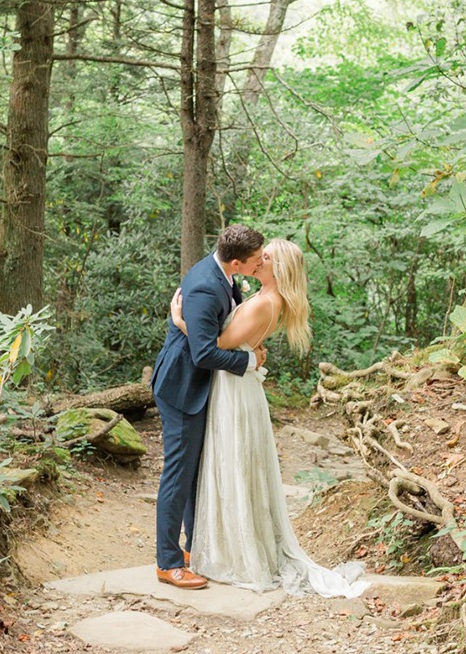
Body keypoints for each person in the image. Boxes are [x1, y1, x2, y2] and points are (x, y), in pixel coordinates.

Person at [171, 239, 367, 598]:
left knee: (233, 464)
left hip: (235, 392)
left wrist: (181, 321)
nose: (260, 260)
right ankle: (227, 543)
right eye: (261, 255)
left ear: (280, 268)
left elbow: (218, 344)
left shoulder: (264, 303)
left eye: (268, 257)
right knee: (234, 465)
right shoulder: (266, 299)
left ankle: (237, 553)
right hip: (236, 386)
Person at [151, 224, 267, 590]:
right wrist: (249, 363)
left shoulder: (224, 274)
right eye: (256, 259)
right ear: (236, 261)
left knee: (195, 471)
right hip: (183, 387)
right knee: (179, 472)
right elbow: (203, 354)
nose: (261, 261)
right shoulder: (204, 285)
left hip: (199, 385)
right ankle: (167, 562)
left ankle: (195, 546)